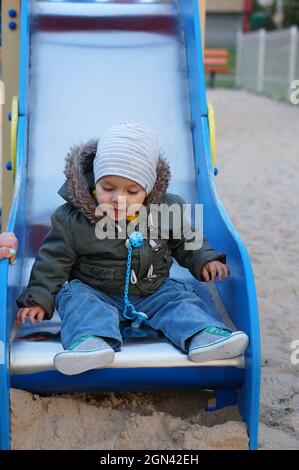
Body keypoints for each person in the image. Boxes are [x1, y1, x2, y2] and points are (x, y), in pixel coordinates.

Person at [16, 121, 248, 375]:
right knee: (76, 298)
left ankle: (203, 335)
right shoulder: (72, 218)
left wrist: (205, 259)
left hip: (152, 290)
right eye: (107, 188)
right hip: (96, 291)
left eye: (132, 191)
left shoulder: (166, 210)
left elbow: (186, 239)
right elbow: (52, 262)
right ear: (95, 183)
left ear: (147, 192)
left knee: (180, 299)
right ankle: (90, 343)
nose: (118, 198)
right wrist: (38, 299)